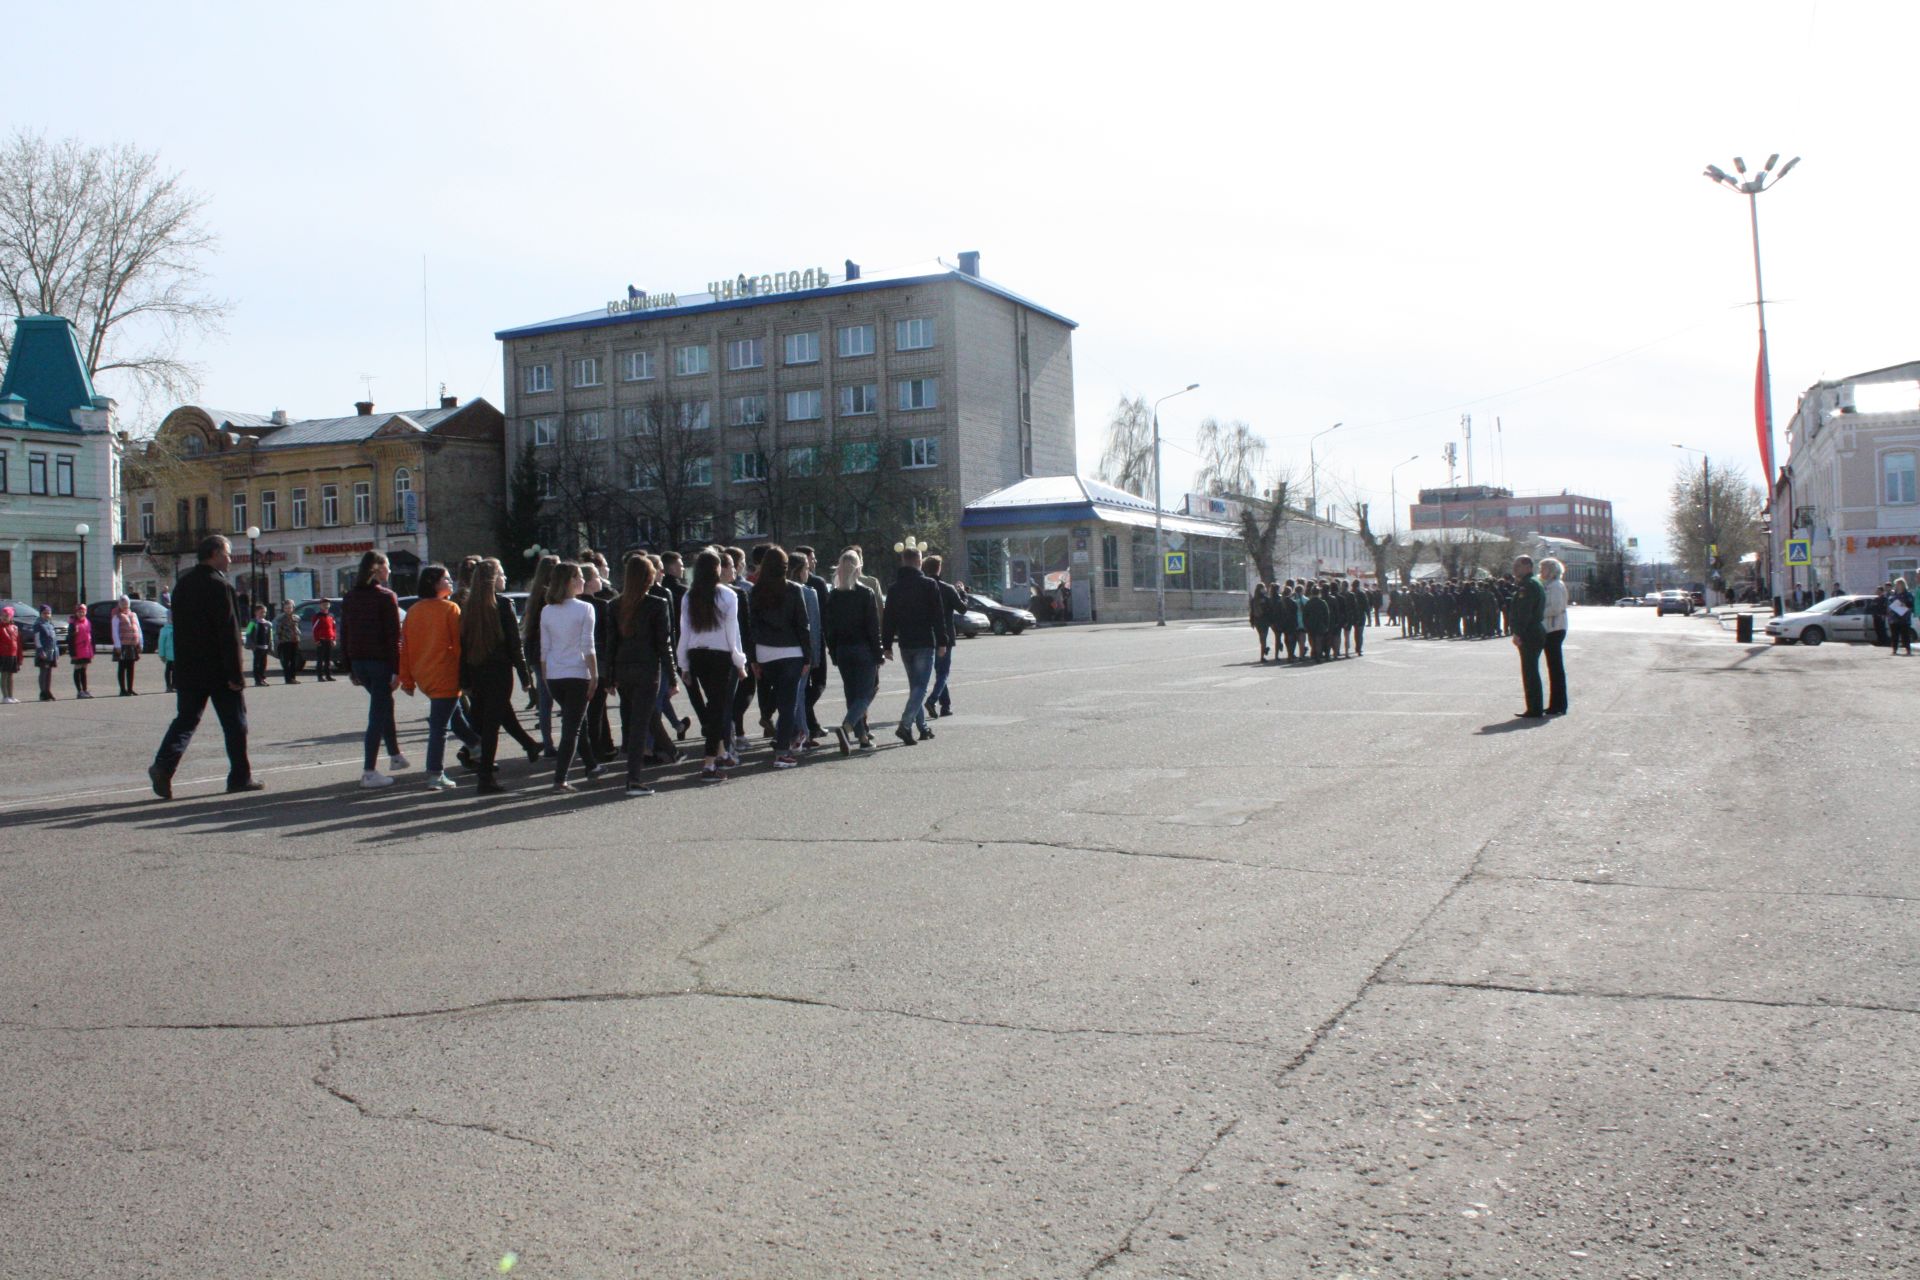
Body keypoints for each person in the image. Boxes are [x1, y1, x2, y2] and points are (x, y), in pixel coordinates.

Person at [148, 535, 262, 799]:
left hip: (188, 667)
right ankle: (239, 777)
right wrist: (236, 674)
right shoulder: (220, 586)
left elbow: (179, 629)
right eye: (227, 553)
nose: (230, 559)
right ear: (214, 554)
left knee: (186, 720)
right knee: (235, 723)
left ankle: (163, 766)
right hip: (219, 670)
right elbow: (229, 634)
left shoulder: (183, 584)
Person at [459, 557, 542, 794]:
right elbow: (515, 646)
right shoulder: (503, 605)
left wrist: (464, 681)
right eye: (502, 574)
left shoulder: (468, 606)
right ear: (493, 580)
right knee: (491, 726)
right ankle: (485, 777)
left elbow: (463, 646)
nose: (504, 578)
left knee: (496, 716)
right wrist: (526, 679)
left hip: (476, 672)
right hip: (498, 672)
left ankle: (530, 745)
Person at [399, 563, 476, 790]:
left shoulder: (413, 611)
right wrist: (467, 673)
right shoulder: (450, 609)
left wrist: (408, 678)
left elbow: (406, 648)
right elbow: (459, 645)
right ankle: (435, 773)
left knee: (456, 715)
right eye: (446, 579)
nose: (450, 582)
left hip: (425, 675)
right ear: (433, 584)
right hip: (446, 673)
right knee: (439, 726)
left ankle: (476, 745)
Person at [677, 549, 747, 783]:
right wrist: (740, 662)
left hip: (697, 656)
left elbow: (684, 633)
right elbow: (732, 634)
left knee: (714, 706)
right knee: (718, 709)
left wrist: (684, 665)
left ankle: (721, 752)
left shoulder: (689, 596)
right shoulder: (728, 595)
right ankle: (709, 764)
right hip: (720, 657)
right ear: (716, 569)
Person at [340, 550, 409, 787]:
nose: (389, 570)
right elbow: (393, 637)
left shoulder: (350, 596)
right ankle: (369, 771)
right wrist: (397, 670)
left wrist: (349, 667)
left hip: (359, 663)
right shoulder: (386, 597)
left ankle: (395, 755)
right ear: (377, 569)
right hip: (380, 663)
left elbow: (345, 633)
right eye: (387, 566)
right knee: (377, 714)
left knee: (384, 704)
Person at [608, 553, 673, 796]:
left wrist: (611, 676)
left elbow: (611, 643)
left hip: (624, 670)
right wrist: (672, 675)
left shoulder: (615, 605)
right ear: (648, 577)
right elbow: (662, 644)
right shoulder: (657, 604)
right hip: (647, 670)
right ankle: (633, 779)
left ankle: (670, 751)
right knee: (641, 723)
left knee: (640, 718)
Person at [881, 537, 951, 746]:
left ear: (903, 561)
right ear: (919, 562)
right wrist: (942, 641)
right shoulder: (929, 585)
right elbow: (938, 617)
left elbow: (889, 618)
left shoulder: (894, 588)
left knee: (915, 687)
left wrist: (886, 645)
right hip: (924, 642)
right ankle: (905, 724)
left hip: (905, 643)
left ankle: (922, 728)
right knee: (920, 686)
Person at [539, 560, 601, 791]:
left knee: (576, 721)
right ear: (570, 581)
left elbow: (545, 648)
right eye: (579, 577)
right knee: (572, 727)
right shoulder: (585, 608)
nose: (583, 580)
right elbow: (588, 646)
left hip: (555, 675)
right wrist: (594, 675)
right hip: (577, 674)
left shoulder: (547, 610)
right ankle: (560, 778)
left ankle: (592, 765)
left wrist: (545, 677)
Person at [749, 545, 812, 768]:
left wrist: (753, 658)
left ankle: (785, 741)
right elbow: (802, 625)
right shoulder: (794, 590)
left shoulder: (756, 591)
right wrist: (808, 657)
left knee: (780, 698)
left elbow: (752, 627)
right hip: (792, 651)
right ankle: (783, 751)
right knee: (788, 704)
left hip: (765, 652)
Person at [825, 549, 883, 752]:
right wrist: (879, 653)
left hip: (842, 650)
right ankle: (847, 726)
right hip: (863, 649)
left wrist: (833, 652)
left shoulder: (833, 596)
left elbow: (829, 629)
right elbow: (873, 628)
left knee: (851, 694)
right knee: (868, 691)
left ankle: (863, 737)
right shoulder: (865, 594)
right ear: (858, 569)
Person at [521, 554, 561, 755]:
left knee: (545, 700)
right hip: (549, 651)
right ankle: (557, 744)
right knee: (562, 696)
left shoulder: (535, 594)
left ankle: (548, 742)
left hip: (535, 651)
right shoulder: (551, 597)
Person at [923, 553, 964, 718]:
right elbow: (962, 609)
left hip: (926, 634)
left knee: (939, 671)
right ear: (939, 568)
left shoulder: (922, 587)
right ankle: (932, 700)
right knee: (943, 672)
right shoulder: (948, 588)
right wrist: (962, 593)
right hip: (945, 635)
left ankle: (945, 706)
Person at [1509, 555, 1548, 719]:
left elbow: (1524, 612)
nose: (1514, 569)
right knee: (1530, 670)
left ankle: (1534, 708)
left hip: (1530, 632)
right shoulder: (1532, 583)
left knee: (1530, 671)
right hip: (1534, 630)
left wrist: (1518, 633)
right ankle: (1534, 706)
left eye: (1517, 565)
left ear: (1527, 566)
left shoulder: (1528, 585)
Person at [1540, 556, 1570, 716]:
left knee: (1556, 668)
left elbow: (1556, 608)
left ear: (1551, 570)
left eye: (1543, 568)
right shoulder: (1549, 585)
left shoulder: (1556, 586)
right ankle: (1556, 703)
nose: (1541, 572)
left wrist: (1538, 613)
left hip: (1555, 628)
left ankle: (1559, 704)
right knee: (1553, 668)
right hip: (1551, 628)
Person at [111, 596, 143, 694]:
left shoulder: (133, 615)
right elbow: (115, 632)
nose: (125, 606)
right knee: (122, 667)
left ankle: (130, 688)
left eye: (126, 604)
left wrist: (140, 643)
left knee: (131, 667)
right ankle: (122, 689)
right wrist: (117, 645)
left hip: (132, 645)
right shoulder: (117, 616)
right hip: (122, 645)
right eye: (123, 604)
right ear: (120, 605)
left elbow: (138, 629)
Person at [68, 604, 95, 698]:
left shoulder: (87, 622)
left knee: (84, 670)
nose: (81, 613)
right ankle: (79, 691)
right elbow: (70, 640)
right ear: (76, 612)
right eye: (79, 612)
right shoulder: (73, 624)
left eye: (83, 611)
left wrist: (92, 650)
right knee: (78, 669)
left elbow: (91, 636)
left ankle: (85, 689)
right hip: (78, 650)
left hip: (86, 649)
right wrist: (72, 653)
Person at [32, 606, 59, 700]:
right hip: (43, 652)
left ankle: (48, 691)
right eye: (44, 613)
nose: (47, 615)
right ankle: (43, 693)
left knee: (49, 672)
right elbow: (37, 639)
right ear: (41, 614)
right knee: (43, 672)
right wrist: (40, 651)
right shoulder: (38, 624)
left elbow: (54, 640)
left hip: (51, 652)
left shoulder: (51, 624)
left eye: (48, 613)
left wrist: (57, 651)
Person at [243, 603, 272, 686]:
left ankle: (262, 678)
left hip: (265, 646)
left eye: (264, 612)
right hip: (256, 647)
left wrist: (270, 645)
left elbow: (270, 636)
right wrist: (251, 645)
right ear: (256, 612)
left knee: (263, 663)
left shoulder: (268, 624)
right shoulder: (252, 622)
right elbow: (248, 633)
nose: (263, 614)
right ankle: (257, 680)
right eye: (261, 612)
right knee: (257, 664)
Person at [274, 600, 302, 684]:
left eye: (290, 608)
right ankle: (288, 678)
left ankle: (293, 677)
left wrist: (298, 634)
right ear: (283, 609)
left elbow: (298, 627)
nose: (288, 609)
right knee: (286, 661)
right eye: (286, 608)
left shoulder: (296, 617)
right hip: (285, 642)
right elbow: (278, 631)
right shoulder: (280, 618)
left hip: (294, 640)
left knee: (294, 660)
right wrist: (279, 641)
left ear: (293, 608)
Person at [1888, 577, 1916, 656]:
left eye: (1899, 584)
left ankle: (1908, 650)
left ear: (1903, 585)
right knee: (1894, 635)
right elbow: (1889, 603)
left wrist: (1905, 605)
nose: (1897, 586)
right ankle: (1894, 650)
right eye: (1896, 584)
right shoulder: (1893, 594)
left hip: (1904, 618)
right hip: (1893, 618)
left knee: (1905, 635)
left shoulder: (1908, 594)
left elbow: (1911, 605)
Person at [311, 601, 337, 680]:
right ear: (320, 606)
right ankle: (320, 676)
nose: (326, 606)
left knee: (328, 659)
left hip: (329, 640)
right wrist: (317, 640)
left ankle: (328, 675)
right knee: (320, 659)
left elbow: (333, 628)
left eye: (327, 604)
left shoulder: (331, 616)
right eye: (324, 604)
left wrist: (333, 639)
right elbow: (314, 629)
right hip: (321, 640)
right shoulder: (317, 616)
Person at [0, 606, 20, 703]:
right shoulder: (0, 628)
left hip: (12, 654)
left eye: (6, 615)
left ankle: (11, 696)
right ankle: (5, 696)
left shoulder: (14, 628)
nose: (4, 617)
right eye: (2, 615)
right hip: (3, 655)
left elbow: (18, 643)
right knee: (4, 675)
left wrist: (19, 657)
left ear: (11, 617)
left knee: (10, 675)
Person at [1249, 582, 1271, 663]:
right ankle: (1263, 653)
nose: (1265, 589)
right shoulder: (1266, 599)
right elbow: (1269, 610)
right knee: (1264, 637)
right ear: (1261, 589)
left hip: (1257, 620)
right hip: (1264, 620)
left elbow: (1251, 611)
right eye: (1264, 588)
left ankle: (1264, 651)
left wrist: (1251, 621)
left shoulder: (1254, 600)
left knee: (1262, 638)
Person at [157, 610, 175, 692]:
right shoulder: (165, 630)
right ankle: (168, 686)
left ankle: (174, 685)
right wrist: (162, 654)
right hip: (169, 656)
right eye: (171, 618)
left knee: (176, 671)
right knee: (168, 671)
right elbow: (161, 643)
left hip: (177, 655)